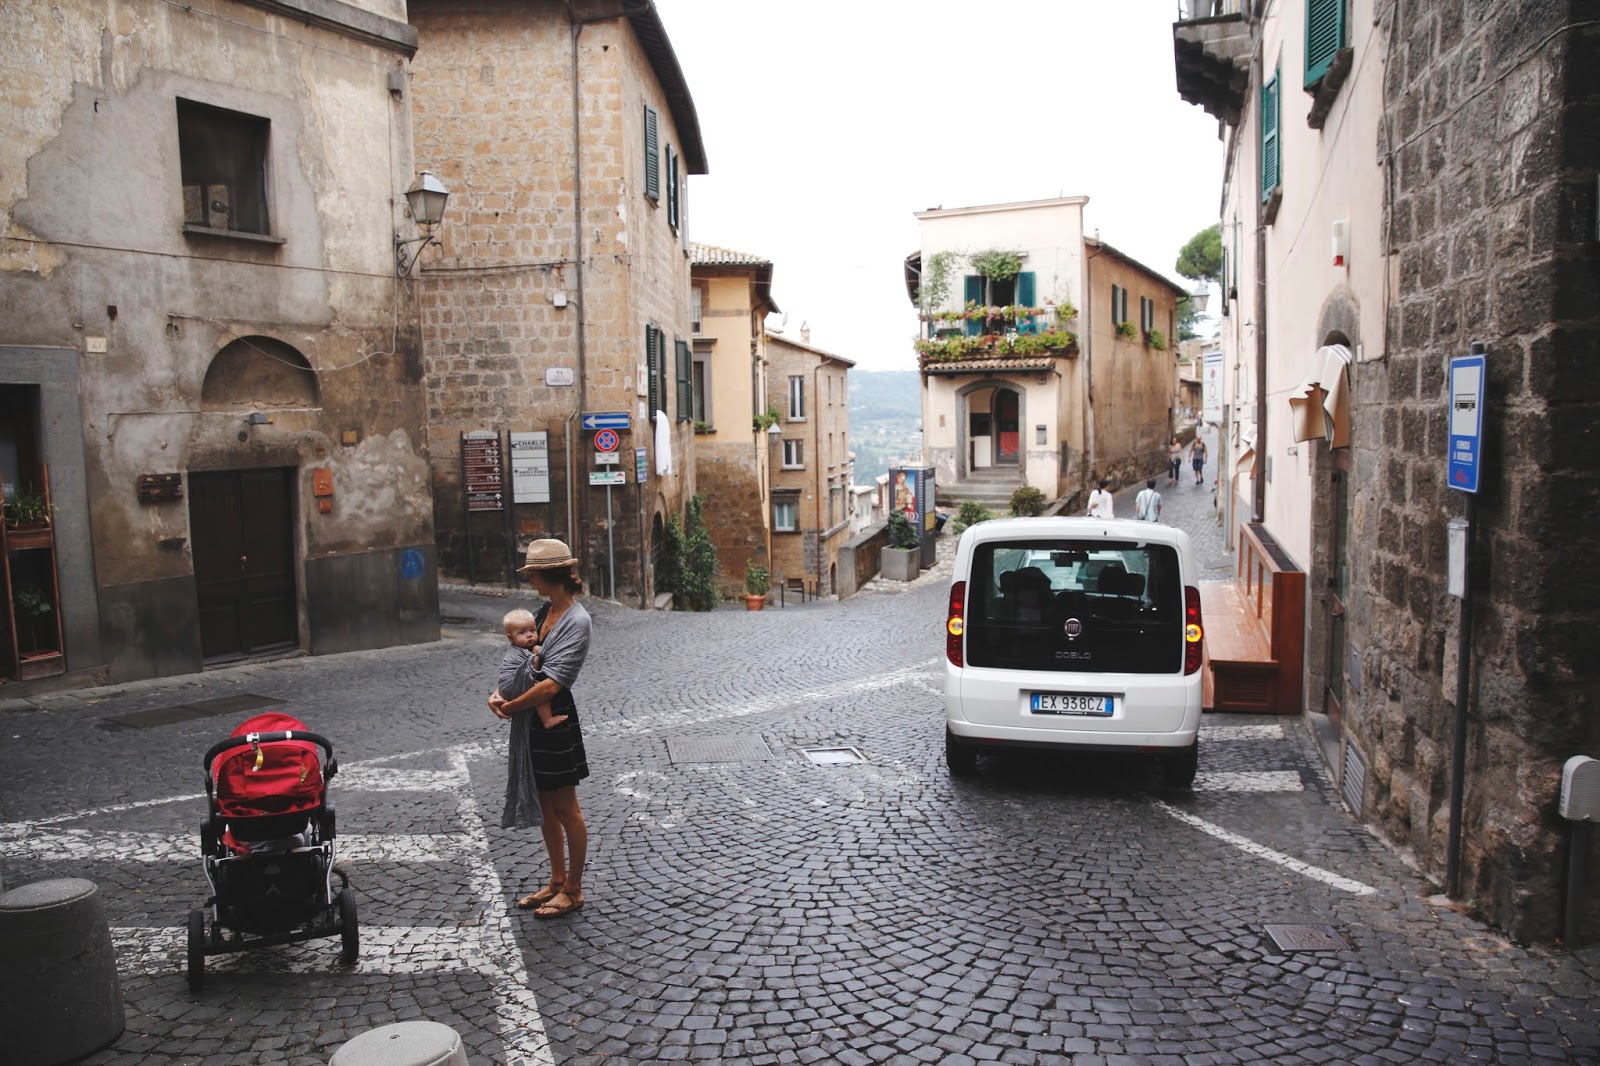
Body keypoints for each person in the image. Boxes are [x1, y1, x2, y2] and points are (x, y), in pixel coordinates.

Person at [489, 539, 592, 920]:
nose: (529, 578)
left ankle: (575, 890)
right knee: (547, 808)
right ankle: (556, 880)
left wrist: (512, 706)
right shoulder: (544, 610)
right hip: (534, 718)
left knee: (567, 808)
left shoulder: (577, 621)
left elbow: (554, 682)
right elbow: (520, 660)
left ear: (549, 575)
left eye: (532, 572)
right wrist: (497, 694)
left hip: (556, 718)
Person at [497, 608, 568, 731]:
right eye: (522, 633)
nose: (529, 635)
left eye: (532, 630)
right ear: (510, 638)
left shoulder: (523, 648)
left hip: (504, 690)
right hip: (510, 686)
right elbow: (528, 667)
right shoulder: (520, 652)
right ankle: (547, 719)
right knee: (541, 693)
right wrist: (537, 654)